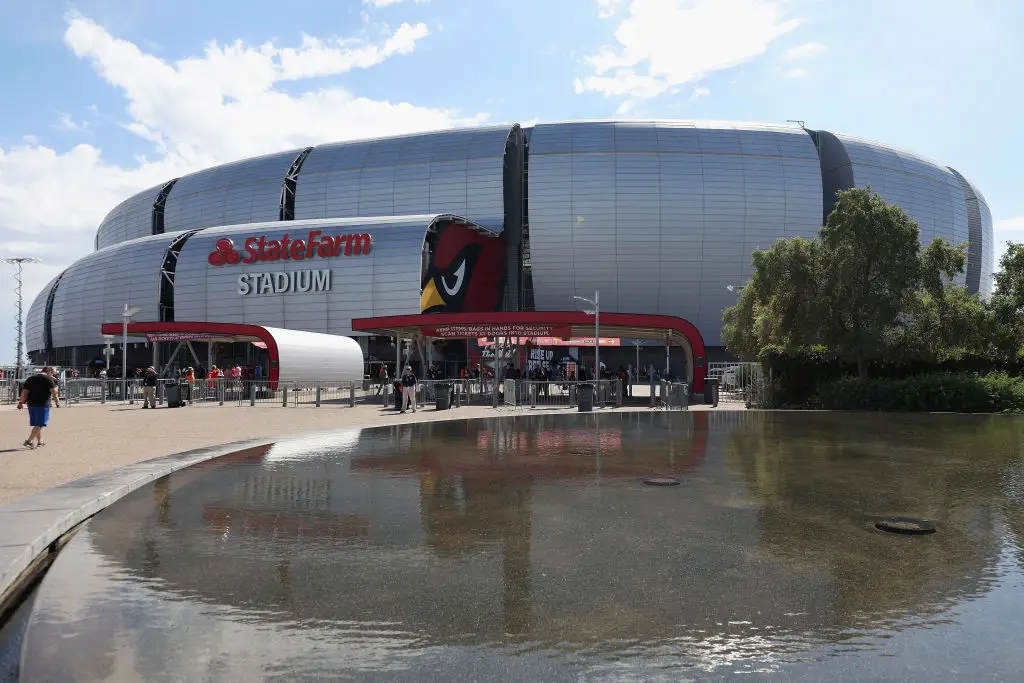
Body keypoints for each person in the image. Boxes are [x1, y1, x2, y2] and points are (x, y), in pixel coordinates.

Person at [17, 366, 60, 449]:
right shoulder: (48, 379)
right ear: (49, 372)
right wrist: (57, 402)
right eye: (53, 373)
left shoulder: (30, 379)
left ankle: (40, 442)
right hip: (43, 404)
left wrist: (20, 402)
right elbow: (54, 392)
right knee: (40, 424)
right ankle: (29, 441)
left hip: (31, 405)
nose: (53, 375)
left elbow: (24, 392)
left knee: (38, 424)